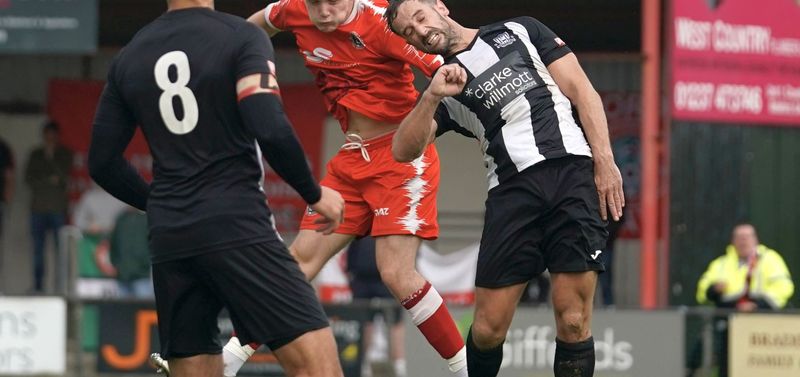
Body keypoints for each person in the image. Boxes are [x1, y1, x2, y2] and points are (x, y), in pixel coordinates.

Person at [87, 1, 346, 376]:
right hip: (236, 224)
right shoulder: (242, 36)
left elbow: (101, 162)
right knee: (317, 366)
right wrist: (314, 193)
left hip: (171, 238)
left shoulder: (131, 54)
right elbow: (268, 124)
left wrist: (160, 202)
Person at [216, 1, 468, 376]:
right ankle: (227, 362)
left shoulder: (383, 21)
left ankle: (467, 370)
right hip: (352, 160)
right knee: (295, 265)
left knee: (396, 274)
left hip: (401, 159)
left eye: (331, 0)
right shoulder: (291, 10)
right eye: (314, 2)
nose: (322, 10)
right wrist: (226, 64)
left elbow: (451, 67)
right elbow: (254, 28)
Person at [385, 1, 626, 376]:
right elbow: (403, 149)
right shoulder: (443, 83)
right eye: (408, 34)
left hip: (572, 175)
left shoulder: (520, 30)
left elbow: (582, 90)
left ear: (439, 6)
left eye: (419, 17)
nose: (418, 31)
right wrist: (431, 95)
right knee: (486, 330)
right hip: (512, 193)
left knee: (574, 319)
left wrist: (605, 162)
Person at [692, 223, 794, 377]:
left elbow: (784, 287)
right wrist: (714, 289)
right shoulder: (722, 263)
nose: (743, 241)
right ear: (732, 241)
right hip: (729, 325)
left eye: (747, 237)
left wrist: (757, 306)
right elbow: (702, 291)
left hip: (764, 326)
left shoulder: (770, 259)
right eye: (739, 237)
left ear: (756, 240)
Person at [346, 236, 407, 377]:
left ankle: (399, 366)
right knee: (365, 322)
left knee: (395, 322)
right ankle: (365, 365)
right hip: (363, 279)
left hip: (388, 278)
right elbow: (351, 255)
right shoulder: (362, 228)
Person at [24, 121, 73, 293]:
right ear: (44, 136)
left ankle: (61, 288)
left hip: (57, 209)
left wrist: (51, 158)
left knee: (60, 251)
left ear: (57, 137)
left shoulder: (64, 154)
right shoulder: (35, 154)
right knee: (38, 251)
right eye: (47, 136)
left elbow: (63, 177)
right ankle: (38, 287)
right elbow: (29, 179)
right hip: (38, 209)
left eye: (53, 136)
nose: (50, 139)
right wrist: (48, 180)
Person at [109, 207, 153, 298]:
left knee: (143, 309)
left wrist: (145, 264)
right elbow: (113, 244)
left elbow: (152, 244)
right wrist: (116, 264)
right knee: (124, 310)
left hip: (141, 276)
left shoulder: (145, 219)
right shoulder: (121, 219)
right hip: (123, 276)